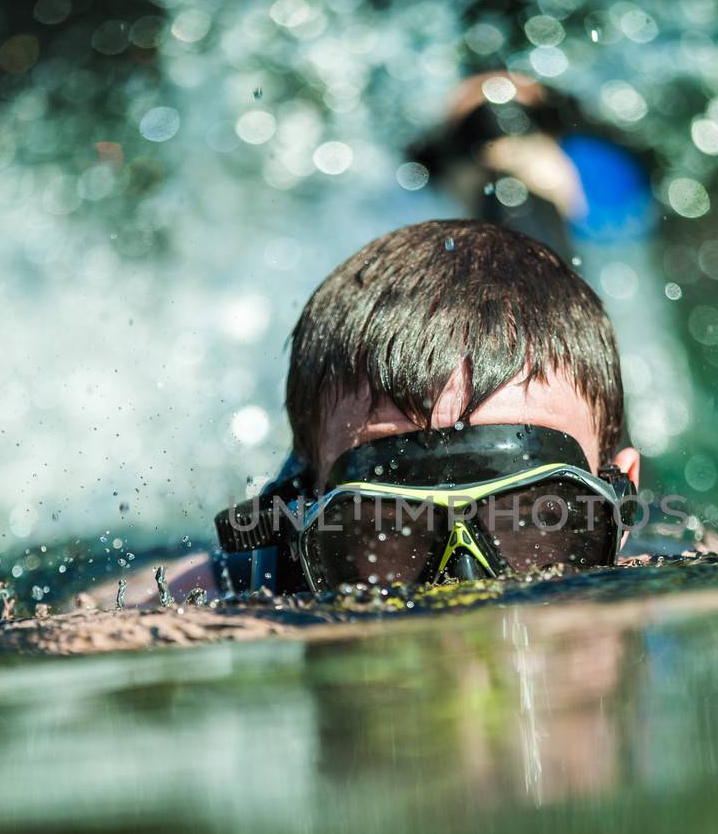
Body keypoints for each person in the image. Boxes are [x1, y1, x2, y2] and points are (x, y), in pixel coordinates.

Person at [96, 218, 652, 606]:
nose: (464, 591)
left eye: (535, 519)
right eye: (387, 526)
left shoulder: (673, 562)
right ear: (304, 516)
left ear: (620, 506)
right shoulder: (224, 592)